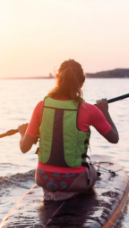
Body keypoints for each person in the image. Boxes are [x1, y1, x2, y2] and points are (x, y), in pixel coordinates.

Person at [18, 59, 119, 201]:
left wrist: (23, 132)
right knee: (93, 172)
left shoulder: (41, 106)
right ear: (81, 82)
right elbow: (114, 138)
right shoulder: (89, 110)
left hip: (43, 178)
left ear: (58, 79)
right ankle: (69, 192)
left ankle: (53, 191)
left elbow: (24, 147)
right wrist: (104, 111)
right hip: (74, 181)